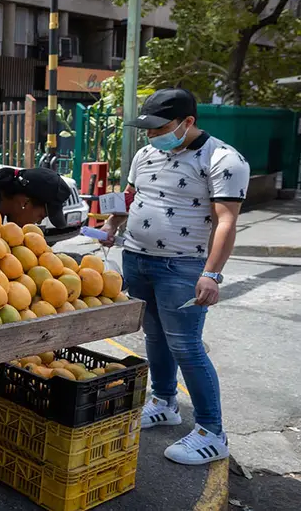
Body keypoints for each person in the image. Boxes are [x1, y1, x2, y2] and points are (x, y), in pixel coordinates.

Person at [101, 88, 249, 465]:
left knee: (186, 345)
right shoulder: (145, 153)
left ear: (188, 123)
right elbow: (131, 195)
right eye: (147, 130)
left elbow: (226, 220)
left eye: (159, 128)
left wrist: (212, 274)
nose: (152, 136)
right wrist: (114, 221)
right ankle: (165, 401)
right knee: (154, 336)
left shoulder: (223, 159)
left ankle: (212, 432)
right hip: (136, 257)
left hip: (182, 265)